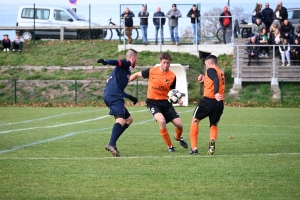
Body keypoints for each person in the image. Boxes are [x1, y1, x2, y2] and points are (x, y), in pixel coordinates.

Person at [128, 52, 188, 152]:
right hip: (153, 102)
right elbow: (138, 74)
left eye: (168, 63)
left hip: (166, 103)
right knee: (162, 121)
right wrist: (127, 80)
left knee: (179, 125)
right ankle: (170, 146)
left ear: (170, 63)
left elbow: (172, 92)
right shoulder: (152, 71)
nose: (166, 65)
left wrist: (179, 100)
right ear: (160, 62)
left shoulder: (172, 76)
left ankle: (178, 137)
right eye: (164, 62)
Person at [97, 49, 139, 157]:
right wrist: (106, 62)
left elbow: (118, 89)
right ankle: (111, 144)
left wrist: (130, 97)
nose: (136, 62)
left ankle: (111, 142)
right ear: (133, 58)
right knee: (120, 120)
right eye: (136, 59)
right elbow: (117, 62)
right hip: (114, 96)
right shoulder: (127, 63)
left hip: (114, 95)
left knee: (129, 120)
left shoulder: (125, 70)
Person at [189, 55, 224, 155]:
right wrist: (204, 81)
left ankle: (194, 148)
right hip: (219, 103)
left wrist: (216, 92)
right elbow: (213, 81)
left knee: (195, 121)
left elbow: (215, 79)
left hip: (208, 100)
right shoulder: (219, 71)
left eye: (206, 64)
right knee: (213, 124)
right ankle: (212, 140)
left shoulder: (211, 69)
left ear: (208, 63)